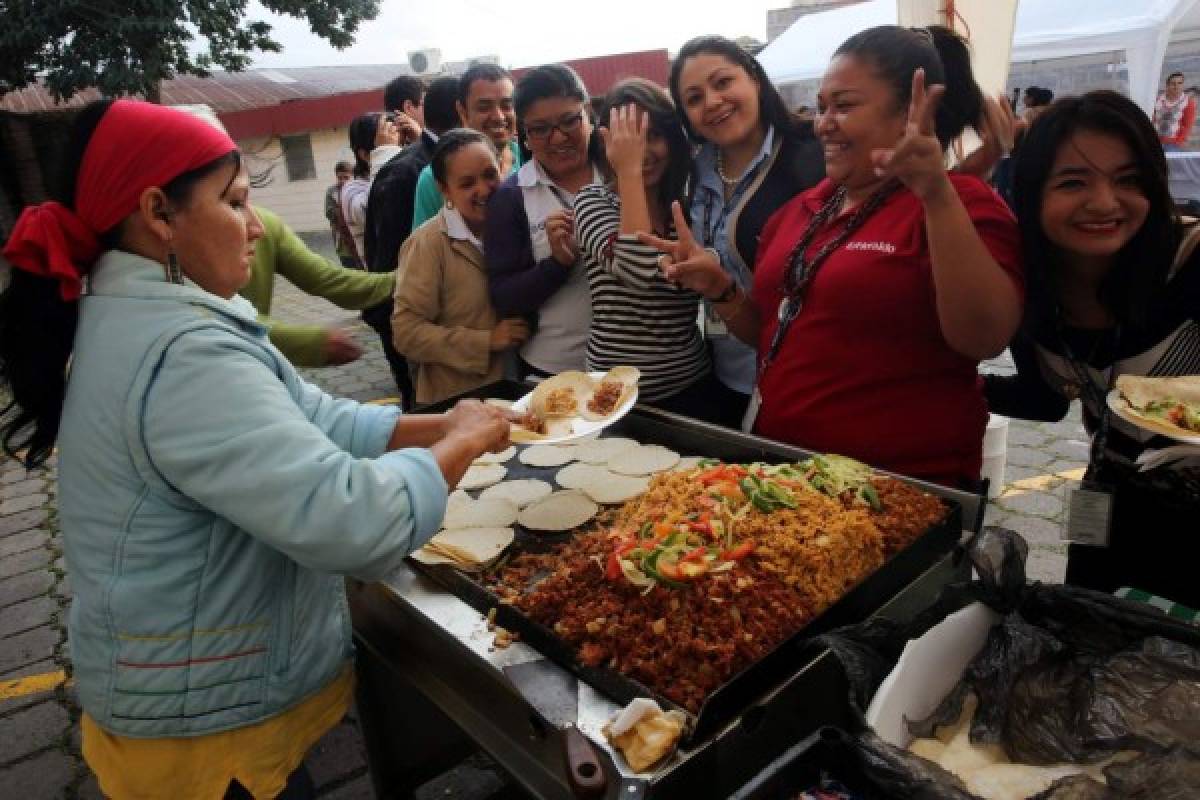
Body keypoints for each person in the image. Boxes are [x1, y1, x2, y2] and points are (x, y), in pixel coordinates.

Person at [0, 99, 514, 800]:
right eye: (235, 201)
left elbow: (314, 418)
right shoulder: (183, 354)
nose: (253, 227)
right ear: (159, 213)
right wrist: (461, 444)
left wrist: (451, 419)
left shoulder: (146, 314)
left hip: (184, 699)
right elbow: (352, 523)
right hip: (204, 738)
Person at [645, 25, 1023, 487]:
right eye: (822, 107)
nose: (823, 122)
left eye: (843, 106)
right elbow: (770, 333)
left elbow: (984, 338)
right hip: (785, 478)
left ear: (910, 112)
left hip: (899, 490)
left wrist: (935, 193)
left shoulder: (962, 202)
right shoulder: (801, 211)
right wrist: (719, 287)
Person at [985, 91, 1200, 604]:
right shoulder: (1029, 287)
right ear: (1033, 192)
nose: (1105, 203)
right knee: (1086, 632)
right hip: (1107, 494)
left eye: (1129, 180)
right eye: (1073, 182)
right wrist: (944, 388)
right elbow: (1043, 399)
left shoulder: (1190, 261)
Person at [668, 35, 826, 426]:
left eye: (723, 83)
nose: (713, 102)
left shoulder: (814, 154)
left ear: (754, 78)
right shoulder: (691, 173)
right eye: (694, 98)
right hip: (726, 374)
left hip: (805, 380)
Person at [573, 79, 719, 418]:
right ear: (608, 142)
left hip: (690, 385)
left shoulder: (688, 210)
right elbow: (636, 268)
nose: (643, 151)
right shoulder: (593, 201)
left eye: (653, 136)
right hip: (613, 395)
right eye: (631, 139)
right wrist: (629, 172)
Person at [391, 130, 529, 404]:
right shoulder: (428, 244)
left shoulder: (515, 223)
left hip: (516, 389)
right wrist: (486, 341)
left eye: (490, 175)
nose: (483, 189)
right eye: (467, 183)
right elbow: (406, 333)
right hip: (458, 401)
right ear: (444, 189)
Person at [485, 64, 603, 379]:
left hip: (635, 364)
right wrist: (557, 264)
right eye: (540, 129)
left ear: (588, 113)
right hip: (554, 369)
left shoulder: (623, 174)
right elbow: (503, 294)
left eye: (569, 121)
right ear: (523, 134)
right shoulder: (511, 197)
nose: (558, 138)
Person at [361, 77, 461, 408]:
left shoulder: (431, 160)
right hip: (425, 342)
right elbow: (392, 267)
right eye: (486, 107)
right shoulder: (411, 172)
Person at [240, 206, 395, 367]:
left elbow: (325, 277)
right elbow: (221, 317)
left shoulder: (266, 224)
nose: (258, 228)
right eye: (234, 202)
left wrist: (397, 280)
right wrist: (310, 343)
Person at [410, 64, 523, 231]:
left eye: (507, 105)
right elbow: (423, 248)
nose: (499, 116)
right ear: (462, 111)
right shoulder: (433, 177)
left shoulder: (530, 157)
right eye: (484, 107)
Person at [339, 111, 402, 261]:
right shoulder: (351, 190)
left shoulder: (401, 174)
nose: (401, 152)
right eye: (393, 146)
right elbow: (378, 209)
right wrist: (385, 154)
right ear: (364, 154)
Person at [323, 161, 359, 268]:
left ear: (352, 177)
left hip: (358, 237)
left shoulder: (357, 189)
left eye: (346, 177)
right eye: (339, 178)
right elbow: (329, 212)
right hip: (342, 240)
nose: (343, 181)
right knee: (349, 269)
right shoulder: (331, 191)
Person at [1154, 71, 1195, 151]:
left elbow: (1187, 126)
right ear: (1167, 85)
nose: (1176, 86)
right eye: (1173, 83)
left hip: (1172, 143)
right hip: (1154, 140)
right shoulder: (1157, 99)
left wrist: (1178, 142)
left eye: (1180, 83)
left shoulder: (1188, 103)